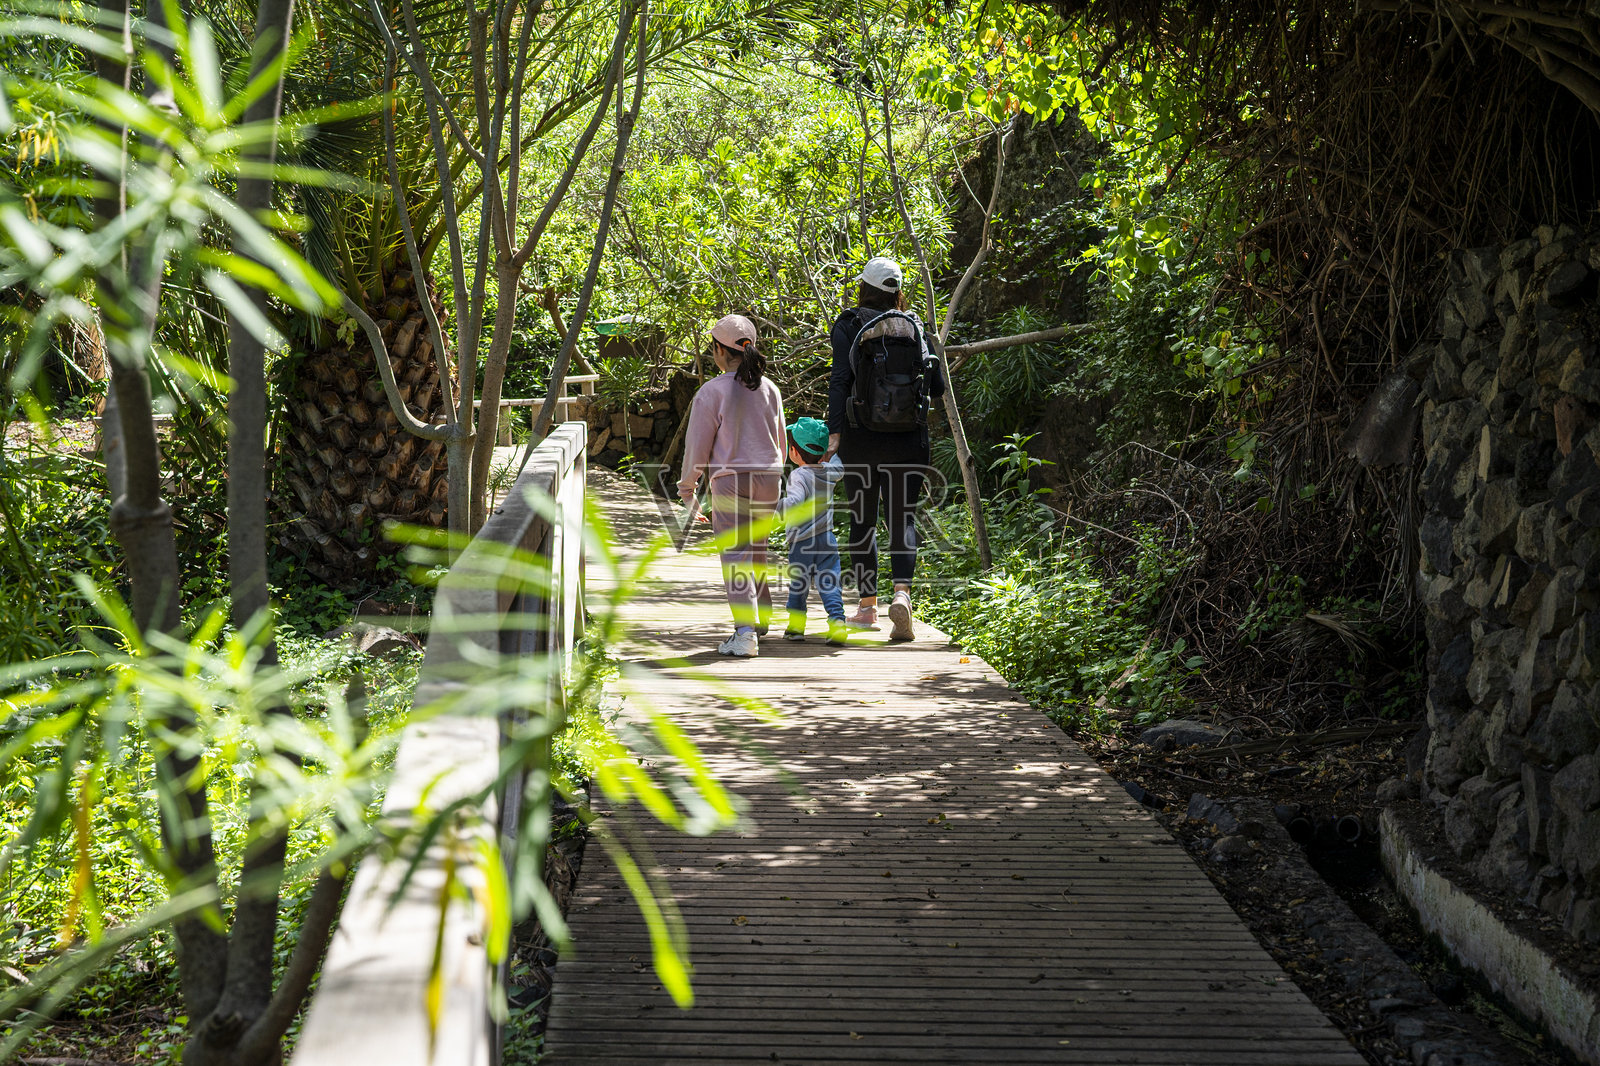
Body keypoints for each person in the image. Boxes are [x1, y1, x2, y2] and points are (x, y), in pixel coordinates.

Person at [825, 256, 945, 642]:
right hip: (910, 438)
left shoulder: (848, 325)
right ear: (897, 292)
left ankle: (867, 608)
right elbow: (937, 387)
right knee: (902, 519)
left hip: (861, 437)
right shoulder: (916, 328)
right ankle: (902, 596)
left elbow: (840, 381)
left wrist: (835, 436)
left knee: (863, 521)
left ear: (863, 288)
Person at [678, 313, 786, 658]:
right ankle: (760, 619)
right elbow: (780, 441)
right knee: (756, 549)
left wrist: (687, 489)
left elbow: (697, 445)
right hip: (770, 477)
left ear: (719, 352)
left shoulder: (711, 392)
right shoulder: (770, 388)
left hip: (731, 480)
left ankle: (745, 633)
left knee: (736, 555)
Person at [777, 417, 847, 646]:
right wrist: (832, 451)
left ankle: (796, 627)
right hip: (826, 538)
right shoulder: (830, 471)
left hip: (802, 542)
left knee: (799, 585)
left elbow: (794, 503)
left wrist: (772, 507)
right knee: (830, 582)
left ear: (794, 452)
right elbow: (839, 465)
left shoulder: (799, 475)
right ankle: (837, 621)